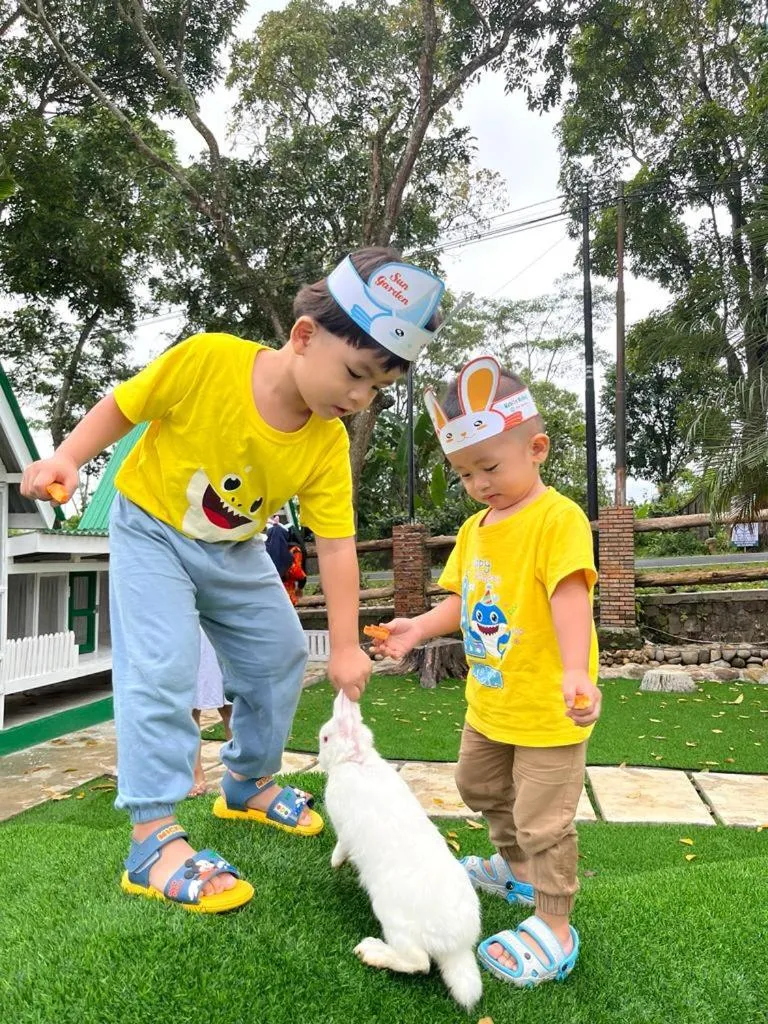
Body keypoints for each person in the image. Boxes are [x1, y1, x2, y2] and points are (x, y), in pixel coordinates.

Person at [21, 246, 445, 913]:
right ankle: (153, 838)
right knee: (162, 666)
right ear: (304, 337)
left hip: (234, 549)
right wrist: (69, 456)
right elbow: (125, 406)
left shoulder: (327, 443)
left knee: (278, 656)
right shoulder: (208, 360)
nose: (361, 399)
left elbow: (334, 546)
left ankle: (246, 780)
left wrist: (342, 645)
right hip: (152, 528)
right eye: (357, 375)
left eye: (377, 391)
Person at [372, 355, 601, 986]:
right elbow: (462, 600)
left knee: (544, 821)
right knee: (477, 787)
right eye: (465, 473)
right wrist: (417, 627)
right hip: (490, 703)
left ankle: (556, 926)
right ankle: (517, 871)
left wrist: (577, 671)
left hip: (550, 708)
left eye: (490, 467)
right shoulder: (474, 530)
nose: (479, 483)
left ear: (537, 448)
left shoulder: (558, 519)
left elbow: (570, 595)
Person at [189, 629, 232, 798]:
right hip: (190, 627)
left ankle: (238, 772)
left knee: (231, 705)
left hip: (221, 624)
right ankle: (194, 771)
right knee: (192, 706)